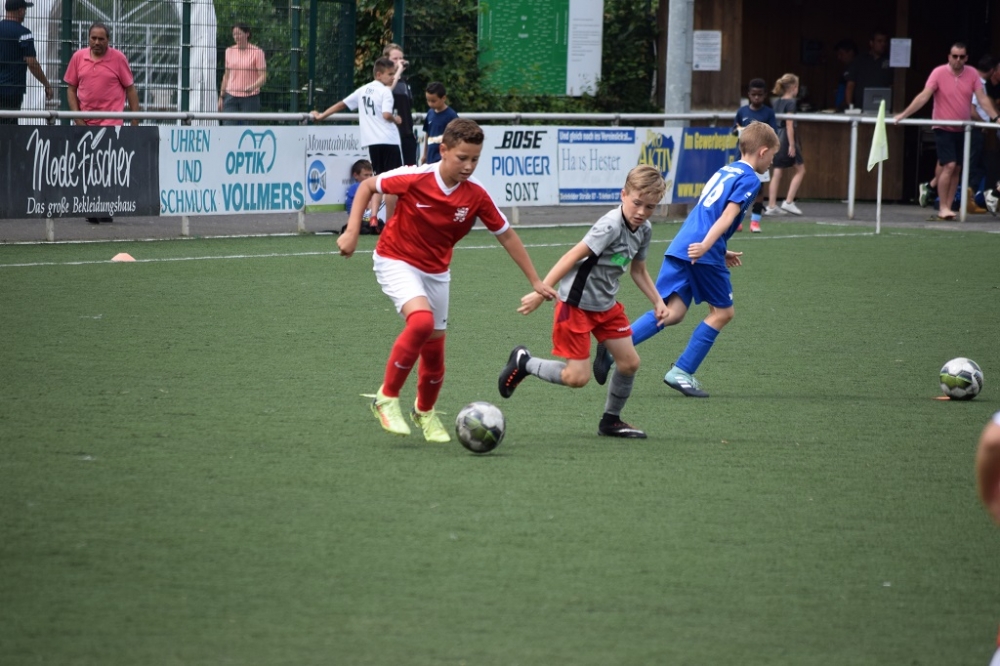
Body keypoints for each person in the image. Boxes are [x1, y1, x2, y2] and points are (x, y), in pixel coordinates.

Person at [337, 118, 557, 443]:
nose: (468, 166)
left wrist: (535, 280)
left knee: (435, 352)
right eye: (462, 158)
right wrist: (353, 231)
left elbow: (507, 235)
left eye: (475, 159)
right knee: (421, 322)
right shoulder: (416, 177)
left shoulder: (476, 194)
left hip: (437, 271)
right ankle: (386, 397)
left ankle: (424, 412)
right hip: (396, 258)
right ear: (443, 151)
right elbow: (369, 186)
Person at [592, 122, 780, 398]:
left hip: (683, 243)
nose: (772, 162)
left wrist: (718, 248)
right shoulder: (750, 178)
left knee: (672, 312)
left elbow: (705, 211)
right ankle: (682, 371)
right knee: (723, 313)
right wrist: (708, 246)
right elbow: (726, 216)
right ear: (763, 151)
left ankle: (613, 348)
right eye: (772, 156)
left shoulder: (725, 170)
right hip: (702, 249)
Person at [496, 165, 669, 439]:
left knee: (629, 363)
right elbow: (571, 256)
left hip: (606, 306)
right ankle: (524, 362)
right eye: (637, 203)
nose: (641, 212)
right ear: (623, 194)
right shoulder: (610, 225)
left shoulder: (644, 230)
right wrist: (541, 291)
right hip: (575, 305)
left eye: (650, 207)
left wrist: (657, 301)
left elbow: (638, 271)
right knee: (577, 378)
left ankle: (610, 421)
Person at [895, 42, 1000, 221]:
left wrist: (996, 118)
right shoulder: (938, 72)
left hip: (962, 128)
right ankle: (942, 206)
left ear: (966, 58)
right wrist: (904, 114)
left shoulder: (972, 74)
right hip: (943, 127)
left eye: (961, 57)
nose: (958, 60)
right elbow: (924, 95)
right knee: (949, 165)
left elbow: (982, 99)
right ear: (949, 57)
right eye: (954, 56)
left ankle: (948, 207)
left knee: (957, 167)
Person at [313, 57, 404, 225]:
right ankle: (391, 222)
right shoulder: (385, 92)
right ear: (379, 74)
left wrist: (322, 116)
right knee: (392, 183)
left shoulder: (363, 90)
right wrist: (395, 119)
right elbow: (386, 114)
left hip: (373, 142)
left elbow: (341, 105)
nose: (393, 78)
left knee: (378, 180)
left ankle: (374, 217)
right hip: (389, 141)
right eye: (390, 74)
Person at [64, 22, 139, 127]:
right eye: (93, 38)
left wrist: (135, 121)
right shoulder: (78, 57)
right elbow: (71, 90)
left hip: (112, 125)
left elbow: (130, 89)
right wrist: (78, 119)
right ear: (89, 38)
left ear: (108, 40)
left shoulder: (119, 58)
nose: (97, 42)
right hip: (84, 124)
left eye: (101, 39)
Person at [733, 78, 779, 232]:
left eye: (760, 95)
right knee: (739, 187)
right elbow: (734, 130)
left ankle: (755, 221)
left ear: (765, 95)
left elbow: (773, 133)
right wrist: (738, 131)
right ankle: (736, 221)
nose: (757, 97)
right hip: (743, 156)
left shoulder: (768, 113)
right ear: (749, 95)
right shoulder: (742, 112)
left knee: (759, 189)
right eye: (754, 95)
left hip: (760, 157)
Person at [0, 0, 53, 124]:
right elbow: (32, 63)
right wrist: (46, 84)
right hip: (12, 89)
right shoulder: (24, 33)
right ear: (20, 11)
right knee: (8, 126)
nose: (25, 13)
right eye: (25, 10)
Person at [766, 73, 806, 217]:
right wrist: (792, 145)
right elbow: (789, 124)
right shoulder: (791, 103)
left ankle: (771, 205)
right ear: (794, 87)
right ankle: (789, 201)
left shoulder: (777, 102)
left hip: (777, 136)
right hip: (786, 139)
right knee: (800, 170)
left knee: (777, 171)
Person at [217, 23, 266, 126]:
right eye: (234, 34)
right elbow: (226, 75)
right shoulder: (229, 51)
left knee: (249, 127)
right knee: (228, 125)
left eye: (239, 34)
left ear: (247, 34)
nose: (236, 37)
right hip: (230, 95)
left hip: (250, 96)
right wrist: (221, 96)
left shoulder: (257, 52)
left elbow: (263, 76)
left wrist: (252, 87)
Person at [383, 43, 417, 166]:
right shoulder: (383, 81)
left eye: (401, 58)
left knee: (410, 168)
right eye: (395, 59)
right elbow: (387, 91)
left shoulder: (404, 82)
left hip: (407, 133)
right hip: (391, 135)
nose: (399, 62)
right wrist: (397, 72)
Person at [844, 30, 892, 111]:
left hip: (884, 108)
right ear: (871, 43)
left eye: (885, 41)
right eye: (879, 41)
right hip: (860, 109)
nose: (883, 44)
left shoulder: (890, 60)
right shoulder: (860, 60)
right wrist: (850, 107)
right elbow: (850, 85)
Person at [343, 158, 383, 235]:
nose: (369, 178)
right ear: (355, 175)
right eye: (366, 175)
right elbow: (367, 205)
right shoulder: (358, 186)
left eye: (371, 175)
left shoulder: (359, 186)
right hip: (363, 216)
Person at [422, 82, 458, 165]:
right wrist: (425, 154)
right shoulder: (430, 113)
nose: (430, 104)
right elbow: (427, 134)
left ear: (443, 98)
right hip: (430, 158)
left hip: (443, 159)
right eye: (428, 100)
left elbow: (456, 138)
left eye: (433, 101)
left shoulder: (451, 116)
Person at [833, 39, 857, 111]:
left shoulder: (858, 68)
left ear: (850, 52)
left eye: (841, 54)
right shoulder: (845, 69)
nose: (839, 57)